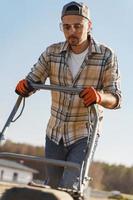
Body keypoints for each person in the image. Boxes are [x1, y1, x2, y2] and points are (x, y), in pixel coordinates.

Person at [15, 0, 122, 193]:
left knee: (69, 188)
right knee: (52, 188)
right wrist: (24, 86)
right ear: (61, 27)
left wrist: (99, 96)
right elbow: (32, 80)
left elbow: (115, 98)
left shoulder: (106, 55)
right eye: (66, 27)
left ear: (89, 25)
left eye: (78, 26)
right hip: (54, 131)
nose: (71, 31)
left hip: (84, 132)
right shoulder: (52, 52)